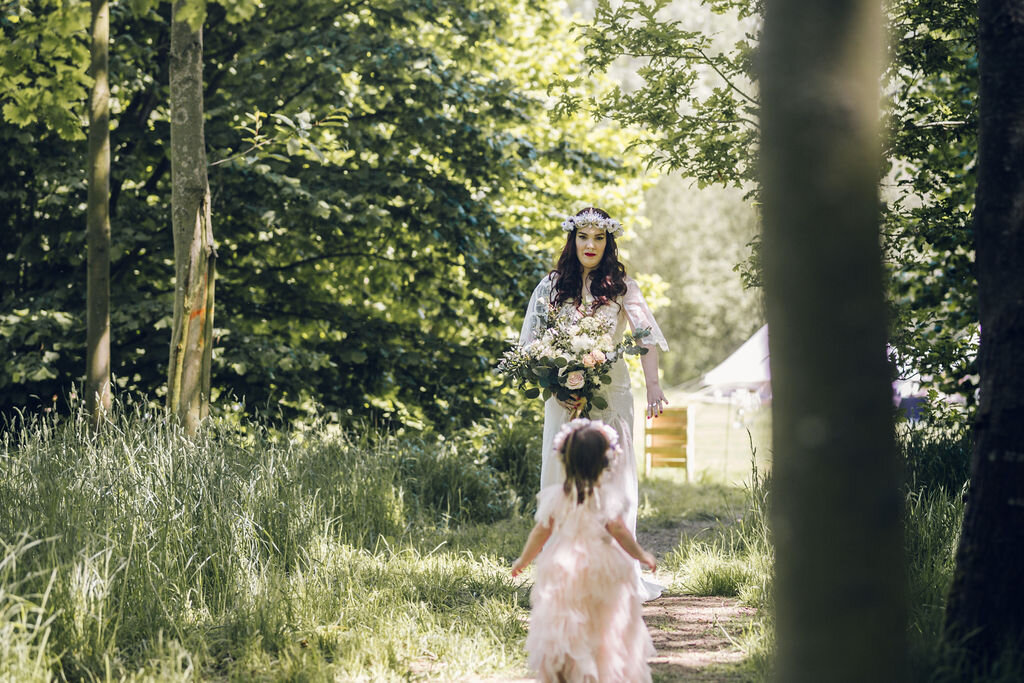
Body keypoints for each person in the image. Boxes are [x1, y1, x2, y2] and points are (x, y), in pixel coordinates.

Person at [519, 206, 668, 600]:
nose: (590, 245)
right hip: (562, 396)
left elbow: (646, 338)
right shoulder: (551, 286)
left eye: (599, 238)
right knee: (562, 473)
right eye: (583, 236)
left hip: (611, 394)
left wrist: (653, 386)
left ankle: (615, 571)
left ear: (609, 242)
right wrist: (555, 383)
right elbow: (532, 346)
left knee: (612, 474)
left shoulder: (622, 287)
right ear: (573, 239)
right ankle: (560, 570)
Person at [511, 419, 657, 683]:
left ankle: (567, 670)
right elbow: (621, 532)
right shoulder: (608, 497)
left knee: (566, 618)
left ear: (566, 460)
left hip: (563, 564)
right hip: (603, 565)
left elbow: (540, 532)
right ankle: (601, 668)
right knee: (604, 621)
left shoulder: (557, 496)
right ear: (606, 461)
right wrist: (640, 555)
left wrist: (524, 559)